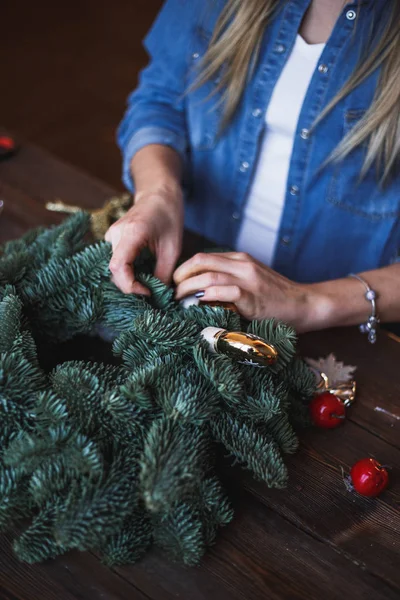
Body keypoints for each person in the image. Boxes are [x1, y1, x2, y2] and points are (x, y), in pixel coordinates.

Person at [105, 0, 400, 339]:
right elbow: (160, 99)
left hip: (339, 335)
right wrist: (158, 193)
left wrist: (310, 303)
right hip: (183, 278)